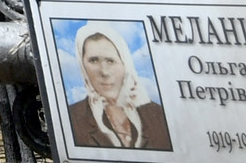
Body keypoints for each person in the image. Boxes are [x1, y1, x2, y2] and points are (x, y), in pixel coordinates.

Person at [68, 22, 172, 150]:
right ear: (83, 65)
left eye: (110, 61)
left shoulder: (157, 116)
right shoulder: (71, 119)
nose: (104, 72)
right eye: (94, 60)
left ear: (125, 63)